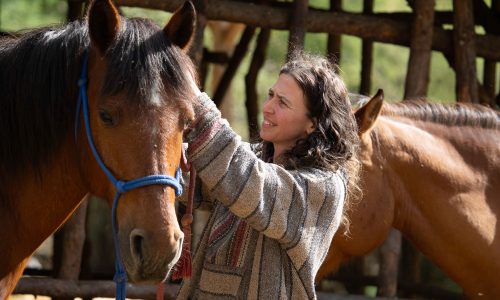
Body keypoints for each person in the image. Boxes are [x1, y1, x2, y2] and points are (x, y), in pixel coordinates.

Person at [177, 51, 360, 299]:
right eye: (271, 96)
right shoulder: (251, 160)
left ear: (313, 124)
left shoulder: (325, 188)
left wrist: (195, 100)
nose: (267, 108)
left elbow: (249, 183)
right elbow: (190, 175)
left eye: (282, 103)